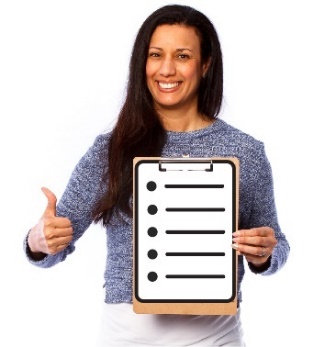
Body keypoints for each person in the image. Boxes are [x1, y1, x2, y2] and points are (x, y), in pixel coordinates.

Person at [24, 4, 290, 346]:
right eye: (155, 55)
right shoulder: (111, 149)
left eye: (182, 56)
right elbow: (51, 245)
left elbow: (277, 246)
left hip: (215, 336)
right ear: (142, 63)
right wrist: (38, 241)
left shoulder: (246, 151)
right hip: (126, 337)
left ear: (205, 64)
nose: (166, 69)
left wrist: (265, 254)